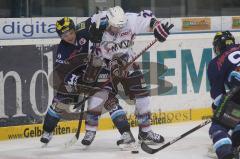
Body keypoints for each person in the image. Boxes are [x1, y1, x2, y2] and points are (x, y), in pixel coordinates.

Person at [40, 17, 135, 151]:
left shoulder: (84, 31)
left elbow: (98, 17)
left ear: (75, 29)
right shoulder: (62, 49)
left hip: (98, 69)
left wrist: (101, 25)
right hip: (78, 77)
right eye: (64, 35)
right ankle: (47, 131)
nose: (69, 37)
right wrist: (77, 81)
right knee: (60, 102)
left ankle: (126, 133)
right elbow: (61, 73)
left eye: (71, 32)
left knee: (110, 101)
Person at [87, 6, 174, 145]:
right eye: (115, 27)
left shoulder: (130, 20)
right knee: (104, 99)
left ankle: (145, 132)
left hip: (127, 61)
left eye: (121, 26)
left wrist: (157, 27)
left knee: (143, 96)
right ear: (108, 20)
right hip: (105, 65)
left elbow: (148, 18)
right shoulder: (97, 21)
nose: (118, 29)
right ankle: (93, 130)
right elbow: (84, 33)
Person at [208, 31, 240, 159]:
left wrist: (216, 108)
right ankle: (236, 144)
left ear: (218, 46)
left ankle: (227, 154)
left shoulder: (215, 63)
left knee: (218, 126)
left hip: (238, 93)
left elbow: (219, 97)